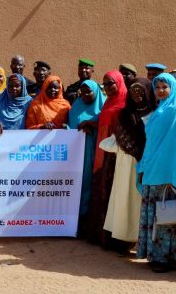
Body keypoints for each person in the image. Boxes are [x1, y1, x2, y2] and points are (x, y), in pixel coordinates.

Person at [136, 73, 176, 273]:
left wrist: (172, 171)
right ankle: (154, 255)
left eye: (164, 87)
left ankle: (167, 259)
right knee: (155, 216)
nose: (160, 90)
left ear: (172, 88)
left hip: (168, 174)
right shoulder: (160, 109)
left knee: (167, 216)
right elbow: (152, 142)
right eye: (157, 87)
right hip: (152, 168)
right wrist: (144, 166)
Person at [100, 78, 154, 253]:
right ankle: (123, 239)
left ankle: (141, 240)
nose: (137, 94)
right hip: (126, 163)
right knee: (124, 199)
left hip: (148, 163)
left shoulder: (155, 113)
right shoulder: (125, 114)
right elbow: (119, 138)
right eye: (133, 91)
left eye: (140, 90)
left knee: (141, 201)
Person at [87, 71, 128, 246]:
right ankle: (99, 235)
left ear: (119, 82)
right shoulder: (108, 102)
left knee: (113, 194)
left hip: (115, 156)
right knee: (101, 192)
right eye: (104, 84)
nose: (108, 87)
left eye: (111, 83)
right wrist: (90, 123)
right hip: (102, 153)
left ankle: (114, 240)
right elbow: (105, 123)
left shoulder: (125, 103)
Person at [67, 79, 105, 230]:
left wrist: (91, 125)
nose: (85, 95)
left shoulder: (103, 106)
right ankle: (78, 219)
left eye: (89, 91)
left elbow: (106, 125)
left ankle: (91, 220)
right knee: (80, 182)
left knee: (94, 182)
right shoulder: (76, 105)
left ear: (96, 91)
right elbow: (71, 127)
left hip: (97, 150)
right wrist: (79, 127)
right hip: (79, 153)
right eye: (82, 92)